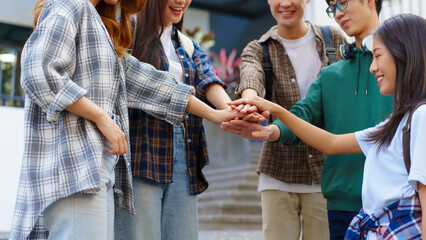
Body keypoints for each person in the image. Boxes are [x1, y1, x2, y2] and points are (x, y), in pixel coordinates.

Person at [9, 0, 244, 239]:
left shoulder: (103, 28)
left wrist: (215, 114)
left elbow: (150, 82)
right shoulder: (70, 6)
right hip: (75, 167)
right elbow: (38, 73)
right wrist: (102, 117)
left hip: (99, 169)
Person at [228, 13, 426, 240]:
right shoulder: (396, 123)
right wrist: (276, 112)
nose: (373, 68)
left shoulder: (420, 118)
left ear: (404, 55)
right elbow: (331, 143)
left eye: (378, 56)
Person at [112, 1, 267, 239]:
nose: (182, 1)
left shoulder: (187, 45)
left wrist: (239, 111)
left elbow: (209, 81)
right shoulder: (126, 31)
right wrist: (215, 114)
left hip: (183, 154)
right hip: (140, 152)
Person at [223, 0, 346, 239]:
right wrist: (250, 100)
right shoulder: (258, 48)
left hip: (326, 172)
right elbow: (251, 74)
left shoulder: (334, 39)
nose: (286, 3)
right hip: (278, 171)